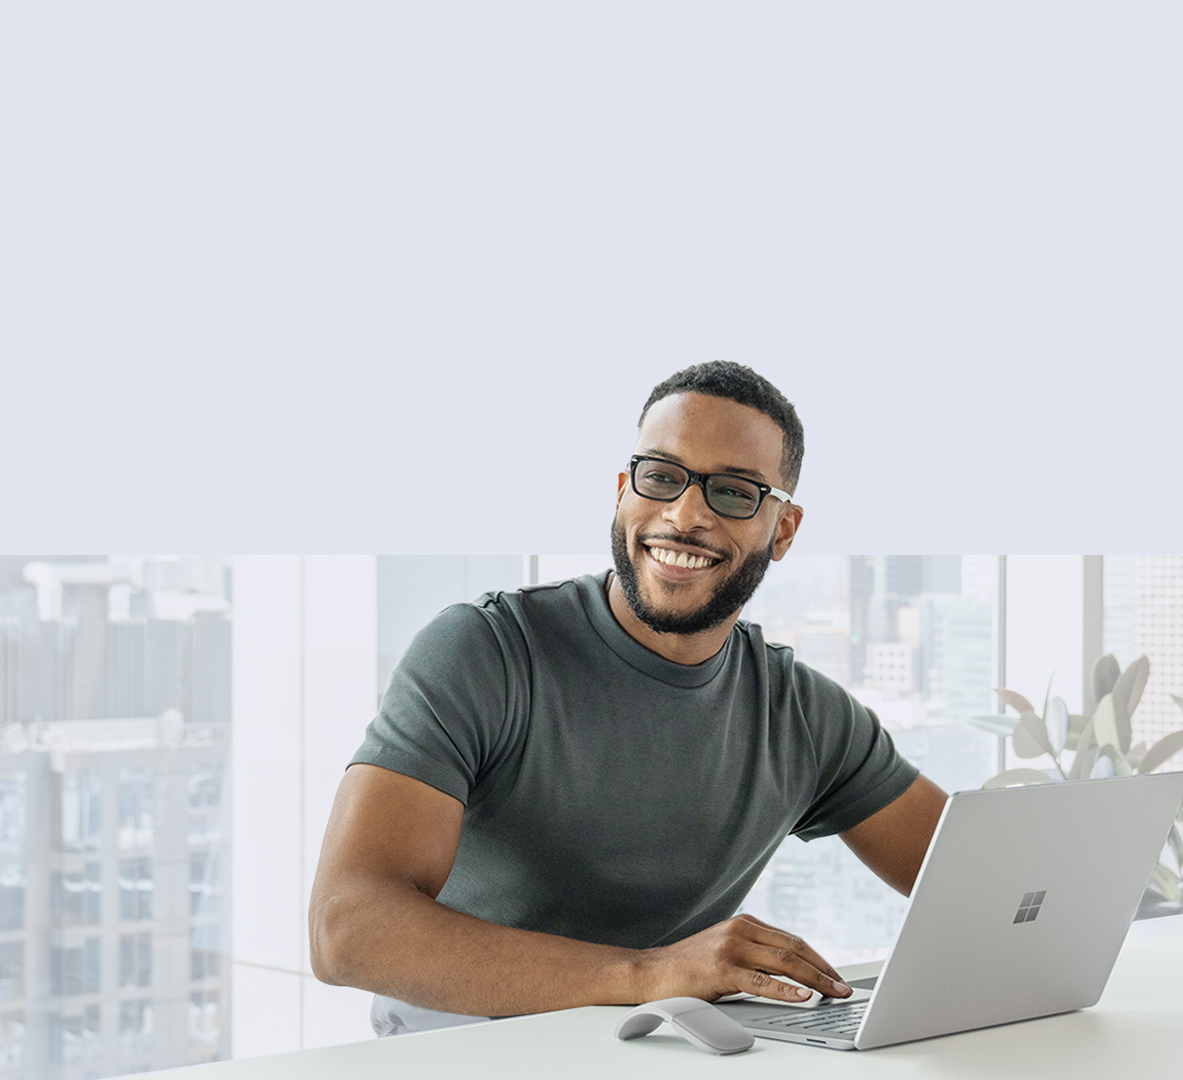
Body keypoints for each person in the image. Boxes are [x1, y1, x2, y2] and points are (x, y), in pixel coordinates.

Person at [308, 361, 950, 1035]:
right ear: (623, 491)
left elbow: (978, 887)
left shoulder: (803, 716)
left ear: (782, 531)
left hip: (654, 1055)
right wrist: (648, 975)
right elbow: (345, 929)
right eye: (661, 477)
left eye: (732, 492)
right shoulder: (487, 652)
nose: (684, 515)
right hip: (460, 1054)